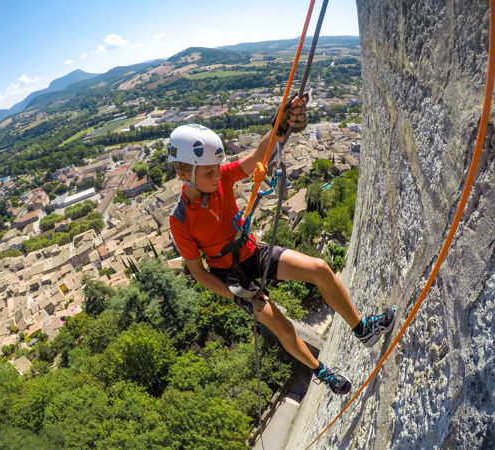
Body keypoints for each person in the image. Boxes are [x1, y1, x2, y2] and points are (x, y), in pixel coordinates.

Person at [167, 96, 396, 395]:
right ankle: (321, 372)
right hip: (233, 278)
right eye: (208, 171)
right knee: (283, 328)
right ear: (183, 174)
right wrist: (236, 297)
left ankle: (363, 330)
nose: (216, 175)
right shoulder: (180, 220)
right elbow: (198, 272)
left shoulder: (220, 177)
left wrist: (280, 125)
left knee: (320, 269)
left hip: (252, 251)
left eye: (216, 168)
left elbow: (255, 158)